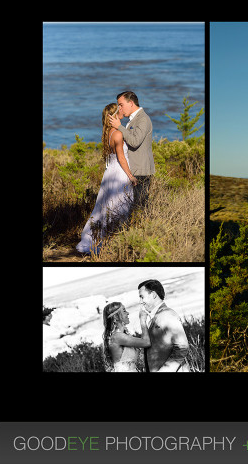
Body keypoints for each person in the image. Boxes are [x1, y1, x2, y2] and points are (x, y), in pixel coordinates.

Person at [76, 103, 138, 254]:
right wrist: (131, 176)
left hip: (110, 171)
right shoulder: (117, 133)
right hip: (119, 172)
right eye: (119, 109)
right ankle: (112, 240)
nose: (122, 110)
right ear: (115, 115)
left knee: (105, 207)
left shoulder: (108, 132)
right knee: (119, 205)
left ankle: (101, 238)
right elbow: (121, 158)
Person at [108, 91, 154, 210]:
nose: (119, 108)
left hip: (141, 170)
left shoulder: (143, 119)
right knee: (133, 206)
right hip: (133, 170)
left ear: (131, 103)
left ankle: (143, 227)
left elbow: (135, 141)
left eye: (121, 105)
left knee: (140, 206)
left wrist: (119, 127)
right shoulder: (133, 119)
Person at [138, 279, 190, 372]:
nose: (140, 301)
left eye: (142, 297)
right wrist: (143, 322)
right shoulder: (155, 317)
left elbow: (182, 347)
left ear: (153, 295)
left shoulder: (167, 315)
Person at [102, 302, 150, 372]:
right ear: (115, 317)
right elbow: (146, 342)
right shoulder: (118, 337)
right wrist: (142, 321)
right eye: (124, 311)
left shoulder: (122, 335)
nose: (128, 313)